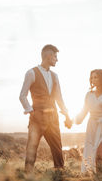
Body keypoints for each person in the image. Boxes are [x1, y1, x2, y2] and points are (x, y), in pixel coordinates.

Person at [19, 44, 72, 173]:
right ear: (48, 56)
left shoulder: (55, 76)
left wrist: (67, 116)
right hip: (37, 118)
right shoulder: (31, 73)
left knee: (57, 148)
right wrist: (31, 111)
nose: (57, 60)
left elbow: (59, 98)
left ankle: (60, 174)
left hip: (53, 118)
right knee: (32, 147)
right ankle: (28, 175)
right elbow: (22, 95)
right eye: (55, 57)